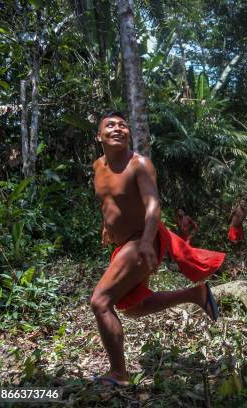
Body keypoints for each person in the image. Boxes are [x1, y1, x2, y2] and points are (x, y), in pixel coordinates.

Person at [91, 111, 225, 387]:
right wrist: (107, 226)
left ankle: (118, 375)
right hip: (125, 244)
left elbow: (153, 204)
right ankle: (196, 294)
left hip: (143, 239)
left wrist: (145, 242)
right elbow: (109, 200)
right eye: (110, 125)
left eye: (122, 125)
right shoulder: (97, 166)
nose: (118, 128)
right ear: (99, 135)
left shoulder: (139, 164)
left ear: (128, 133)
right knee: (134, 308)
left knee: (100, 301)